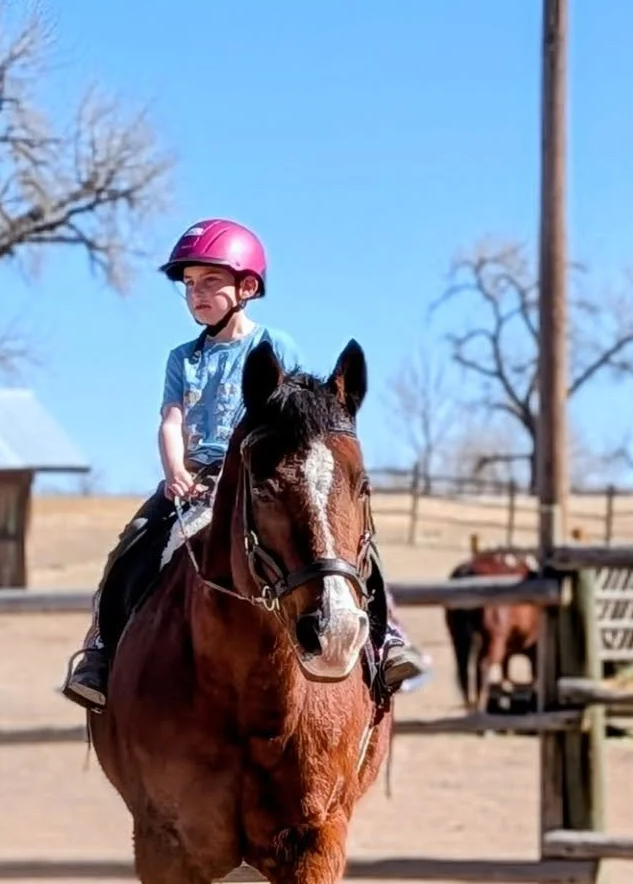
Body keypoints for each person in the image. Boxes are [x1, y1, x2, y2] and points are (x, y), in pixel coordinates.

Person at [61, 217, 428, 710]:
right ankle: (100, 655)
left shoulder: (273, 345)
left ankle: (387, 642)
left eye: (211, 280)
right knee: (132, 548)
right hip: (194, 479)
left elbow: (298, 420)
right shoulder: (181, 358)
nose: (197, 293)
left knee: (346, 545)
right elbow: (171, 420)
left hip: (260, 476)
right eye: (189, 284)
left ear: (247, 286)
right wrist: (176, 471)